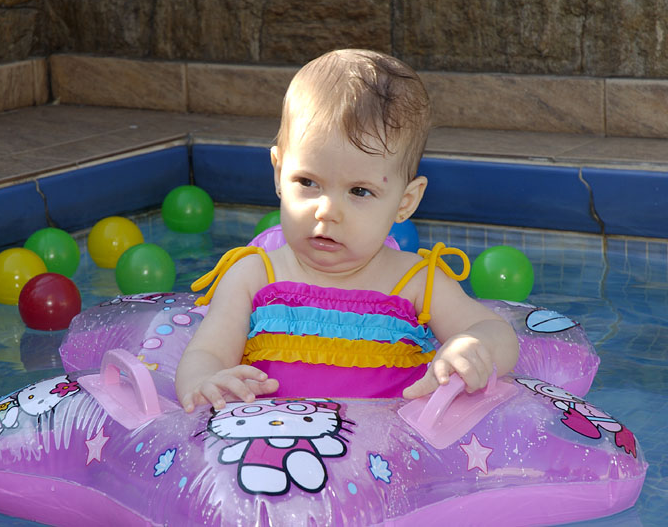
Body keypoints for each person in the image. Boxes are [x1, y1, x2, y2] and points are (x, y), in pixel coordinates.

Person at [175, 49, 519, 412]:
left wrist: (468, 348)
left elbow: (495, 331)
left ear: (406, 201)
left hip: (386, 462)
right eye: (307, 181)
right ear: (278, 172)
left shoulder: (417, 283)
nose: (326, 211)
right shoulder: (253, 276)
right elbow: (207, 352)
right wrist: (205, 381)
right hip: (273, 457)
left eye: (359, 191)